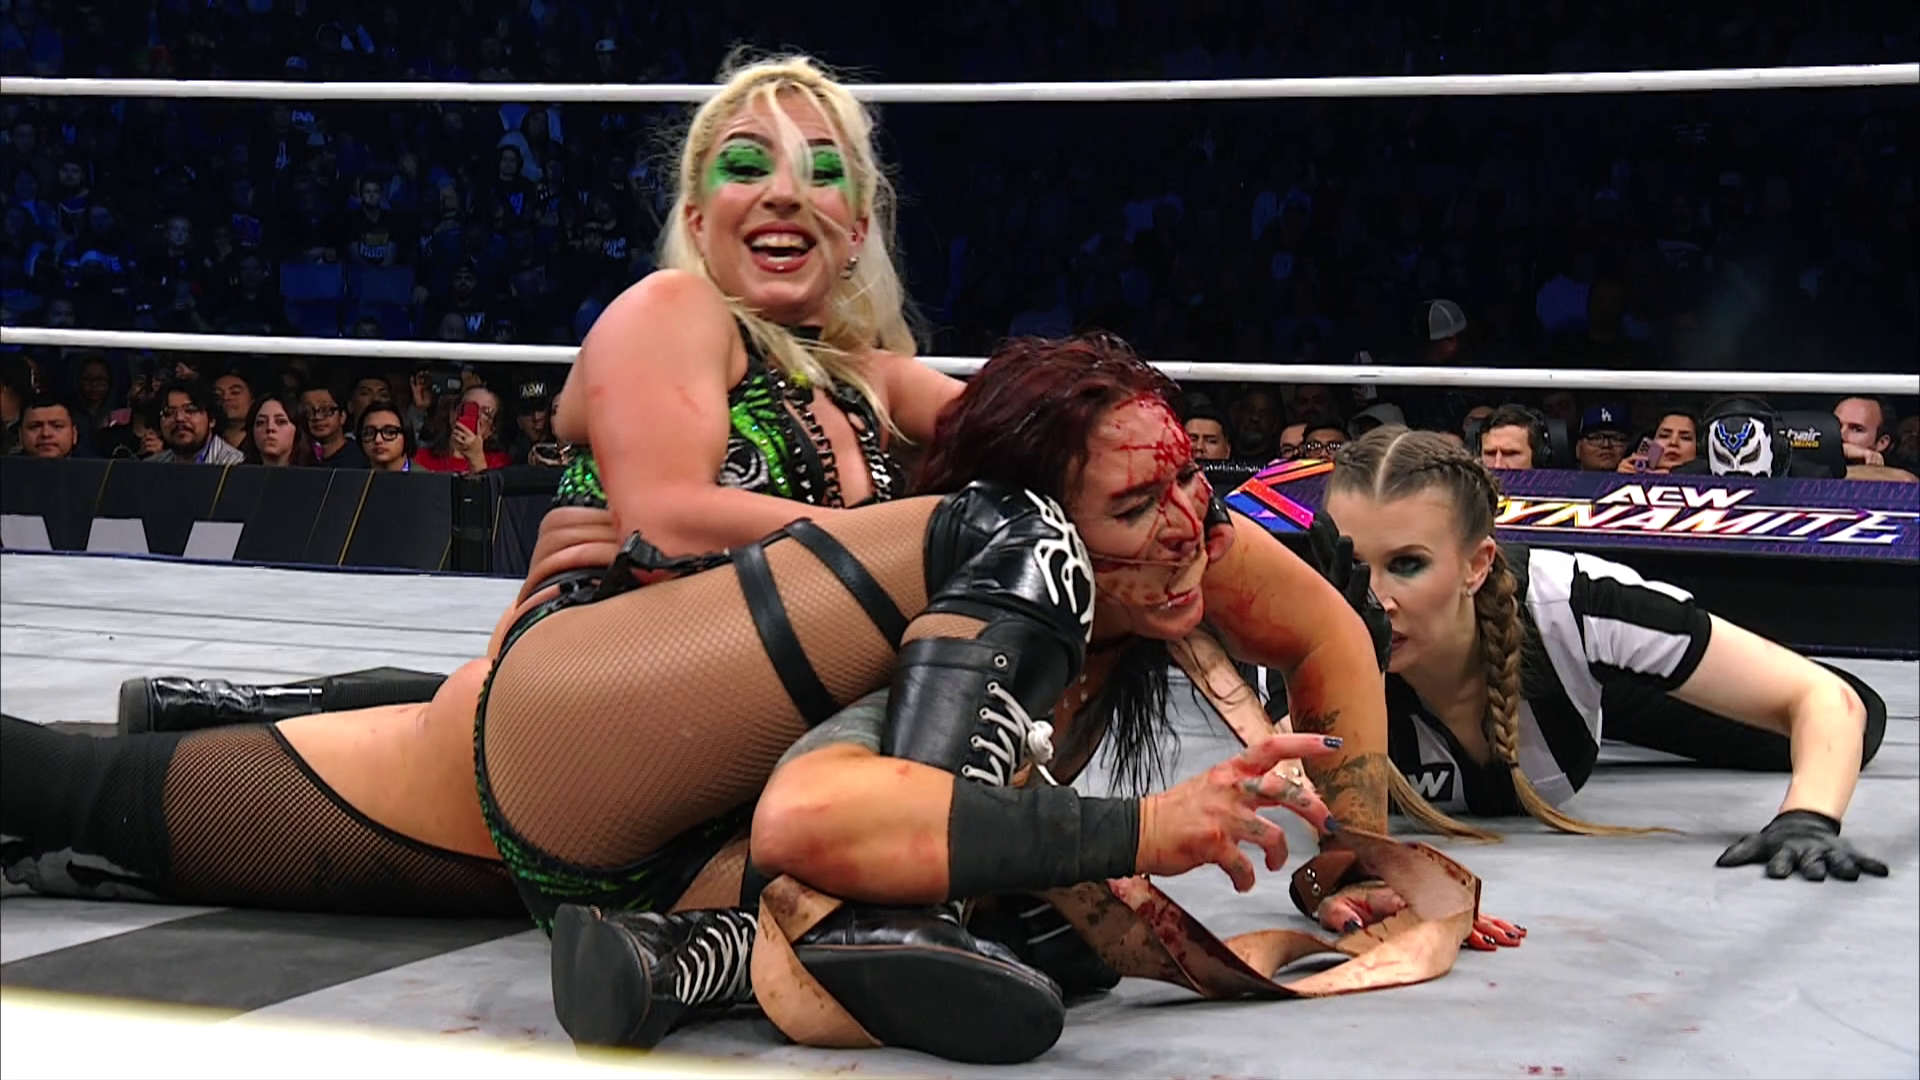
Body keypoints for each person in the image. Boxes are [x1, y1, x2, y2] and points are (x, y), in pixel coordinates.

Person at [4, 335, 1394, 1066]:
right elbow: (824, 812)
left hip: (634, 852)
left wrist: (1358, 856)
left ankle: (694, 956)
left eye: (1190, 484)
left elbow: (1329, 632)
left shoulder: (1163, 544)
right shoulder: (988, 551)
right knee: (83, 792)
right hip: (573, 754)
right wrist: (1142, 829)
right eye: (1139, 504)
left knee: (1046, 924)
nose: (1186, 526)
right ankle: (748, 947)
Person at [1308, 426, 1889, 882]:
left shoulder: (1574, 604)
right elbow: (1296, 779)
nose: (1375, 597)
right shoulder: (1310, 633)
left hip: (1567, 673)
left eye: (1407, 564)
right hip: (1538, 694)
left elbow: (1825, 698)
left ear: (1477, 565)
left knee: (1852, 722)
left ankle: (1595, 688)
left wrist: (1807, 818)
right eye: (1352, 564)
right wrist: (1338, 666)